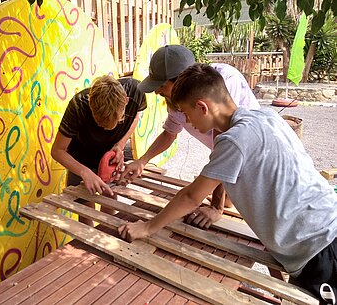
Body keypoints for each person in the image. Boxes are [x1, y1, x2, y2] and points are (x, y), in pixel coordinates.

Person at [118, 63, 337, 302]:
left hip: (318, 246)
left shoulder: (234, 140)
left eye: (187, 114)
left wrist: (147, 227)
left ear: (202, 107)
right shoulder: (266, 116)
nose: (188, 122)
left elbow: (191, 197)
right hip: (322, 230)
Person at [121, 45, 260, 229]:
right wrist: (142, 161)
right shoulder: (173, 100)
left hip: (245, 158)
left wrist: (216, 207)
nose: (157, 92)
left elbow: (223, 152)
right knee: (230, 196)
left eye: (161, 85)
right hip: (229, 157)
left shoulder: (224, 81)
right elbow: (170, 133)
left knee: (240, 200)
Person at [51, 75, 146, 225]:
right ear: (90, 104)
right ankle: (89, 245)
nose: (104, 129)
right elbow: (57, 150)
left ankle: (107, 235)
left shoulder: (137, 92)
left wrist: (120, 145)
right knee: (85, 206)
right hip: (81, 158)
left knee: (110, 198)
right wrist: (84, 172)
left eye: (117, 121)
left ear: (126, 102)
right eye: (100, 123)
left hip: (109, 158)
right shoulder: (78, 105)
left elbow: (136, 116)